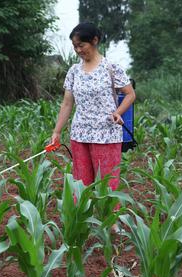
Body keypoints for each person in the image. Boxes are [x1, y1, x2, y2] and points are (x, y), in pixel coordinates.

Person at [51, 22, 135, 208]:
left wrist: (118, 112)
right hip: (80, 134)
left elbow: (130, 94)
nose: (78, 50)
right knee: (81, 182)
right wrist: (57, 132)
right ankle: (81, 220)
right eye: (75, 47)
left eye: (82, 45)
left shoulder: (111, 68)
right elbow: (67, 103)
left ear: (95, 41)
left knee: (108, 181)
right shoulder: (74, 71)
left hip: (106, 134)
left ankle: (110, 222)